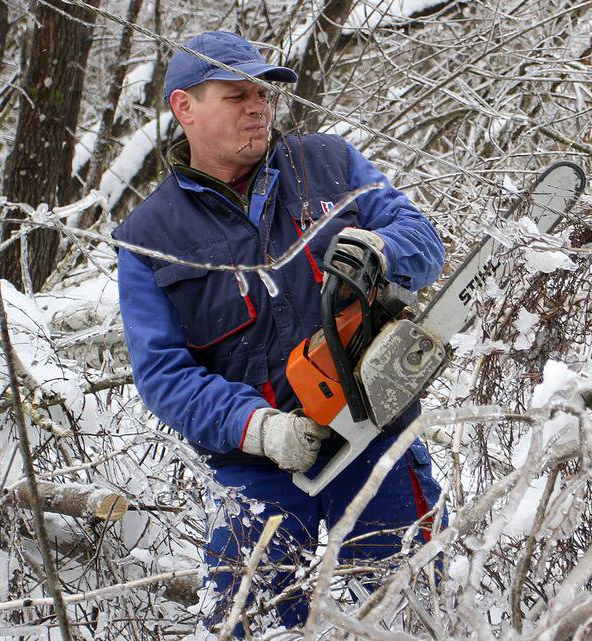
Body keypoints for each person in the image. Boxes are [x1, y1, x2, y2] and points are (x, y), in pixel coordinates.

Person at [112, 31, 446, 632]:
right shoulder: (149, 236)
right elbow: (163, 373)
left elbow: (422, 238)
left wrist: (381, 250)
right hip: (257, 467)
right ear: (184, 107)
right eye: (236, 94)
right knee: (252, 623)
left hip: (374, 432)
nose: (258, 106)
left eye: (262, 93)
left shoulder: (328, 163)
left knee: (416, 611)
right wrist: (255, 428)